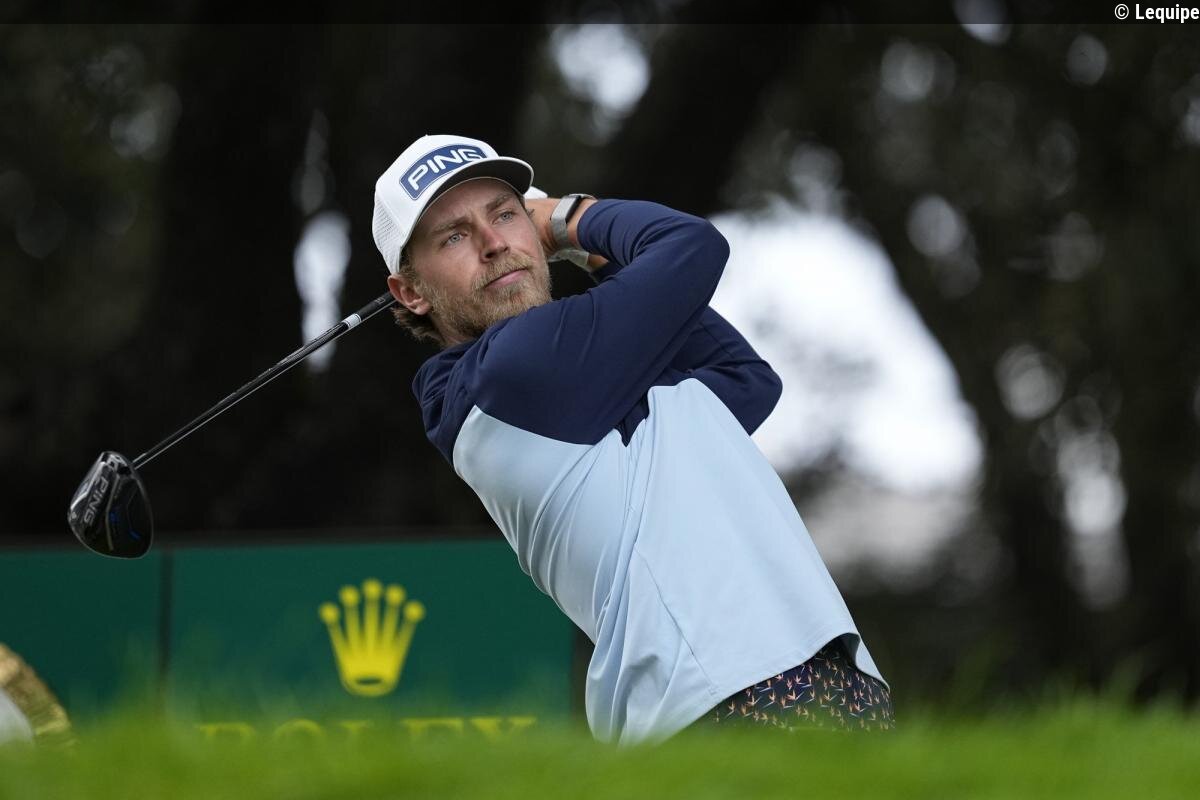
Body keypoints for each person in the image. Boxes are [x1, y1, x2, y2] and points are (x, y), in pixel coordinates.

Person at [372, 134, 893, 744]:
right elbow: (688, 246)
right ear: (410, 292)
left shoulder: (579, 385)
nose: (494, 244)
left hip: (817, 677)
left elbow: (744, 380)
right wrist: (568, 221)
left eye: (506, 214)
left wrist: (587, 254)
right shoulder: (508, 373)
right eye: (454, 237)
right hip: (722, 698)